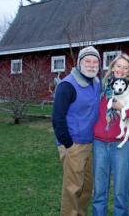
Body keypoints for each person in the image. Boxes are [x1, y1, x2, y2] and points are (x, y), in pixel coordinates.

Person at [92, 53, 129, 216]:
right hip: (100, 143)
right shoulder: (102, 85)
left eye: (125, 67)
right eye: (118, 66)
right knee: (99, 191)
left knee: (120, 192)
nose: (121, 70)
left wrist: (122, 108)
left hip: (124, 146)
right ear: (112, 67)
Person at [52, 46, 101, 216]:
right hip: (74, 145)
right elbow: (57, 118)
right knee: (72, 190)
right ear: (79, 63)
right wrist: (68, 144)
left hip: (90, 143)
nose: (91, 65)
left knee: (86, 189)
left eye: (95, 61)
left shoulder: (96, 82)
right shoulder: (67, 85)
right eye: (87, 61)